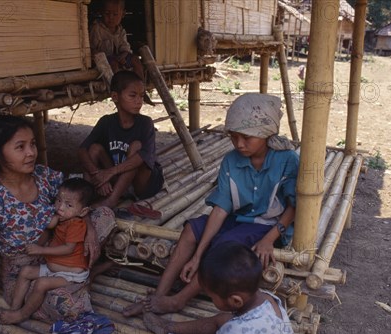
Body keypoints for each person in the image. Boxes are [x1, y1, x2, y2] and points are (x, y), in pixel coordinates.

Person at [123, 93, 298, 316]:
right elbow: (220, 209)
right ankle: (158, 295)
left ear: (265, 133)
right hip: (239, 221)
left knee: (225, 244)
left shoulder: (287, 160)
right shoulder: (231, 161)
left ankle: (178, 301)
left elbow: (293, 207)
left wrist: (269, 239)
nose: (239, 144)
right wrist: (197, 256)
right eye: (234, 137)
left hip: (270, 226)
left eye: (246, 137)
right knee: (191, 229)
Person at [0, 110, 115, 321]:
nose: (31, 153)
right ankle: (84, 278)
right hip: (23, 272)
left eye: (33, 144)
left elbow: (77, 202)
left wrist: (88, 227)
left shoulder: (43, 176)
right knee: (67, 307)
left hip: (61, 251)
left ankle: (79, 276)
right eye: (20, 147)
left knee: (105, 215)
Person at [143, 242, 294, 334]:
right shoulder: (271, 301)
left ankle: (171, 331)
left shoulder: (236, 333)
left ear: (235, 301)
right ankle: (169, 327)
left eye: (211, 297)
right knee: (225, 320)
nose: (211, 299)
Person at [0, 178, 95, 324]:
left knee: (41, 284)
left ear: (83, 211)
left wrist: (41, 250)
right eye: (58, 200)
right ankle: (14, 309)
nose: (60, 207)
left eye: (69, 205)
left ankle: (22, 314)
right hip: (54, 267)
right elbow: (46, 221)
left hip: (71, 273)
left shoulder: (76, 225)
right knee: (25, 271)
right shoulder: (63, 218)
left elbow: (68, 248)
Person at [77, 70, 164, 208]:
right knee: (94, 149)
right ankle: (88, 196)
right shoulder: (106, 122)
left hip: (141, 185)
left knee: (136, 146)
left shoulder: (145, 123)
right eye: (132, 95)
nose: (139, 101)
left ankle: (112, 199)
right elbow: (82, 150)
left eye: (141, 96)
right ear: (115, 97)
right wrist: (98, 175)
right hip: (119, 179)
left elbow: (142, 157)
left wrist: (109, 172)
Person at [89, 0, 145, 82]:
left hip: (118, 58)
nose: (111, 17)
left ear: (123, 14)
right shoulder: (96, 28)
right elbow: (92, 50)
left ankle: (140, 85)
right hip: (104, 61)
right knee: (114, 64)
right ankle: (118, 86)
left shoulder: (121, 31)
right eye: (107, 13)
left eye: (115, 14)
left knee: (135, 60)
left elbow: (125, 48)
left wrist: (123, 55)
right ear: (101, 12)